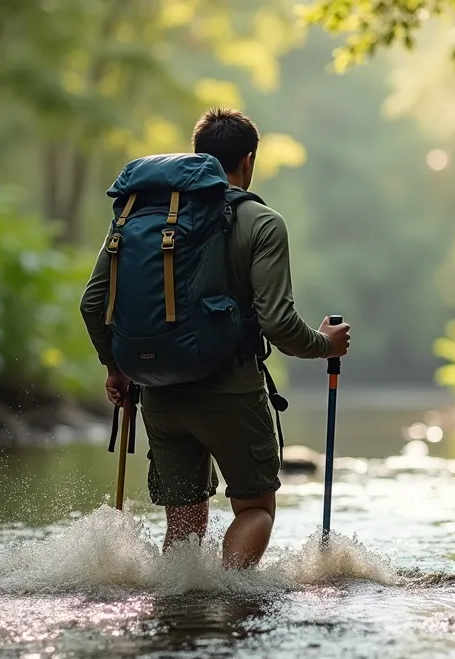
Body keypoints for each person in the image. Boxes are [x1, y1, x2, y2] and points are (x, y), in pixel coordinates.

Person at [80, 108, 352, 570]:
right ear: (248, 160)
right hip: (230, 391)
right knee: (256, 508)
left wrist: (117, 367)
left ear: (197, 156)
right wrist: (325, 343)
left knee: (184, 526)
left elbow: (92, 302)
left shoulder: (139, 216)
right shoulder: (262, 222)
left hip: (158, 389)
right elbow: (279, 323)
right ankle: (227, 598)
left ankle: (182, 615)